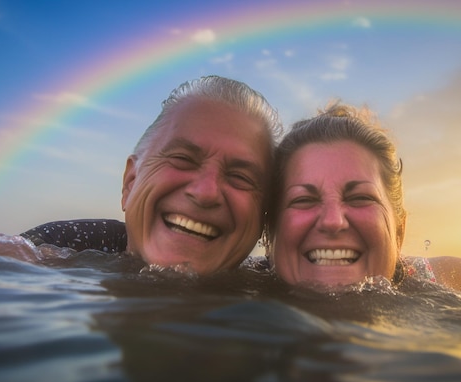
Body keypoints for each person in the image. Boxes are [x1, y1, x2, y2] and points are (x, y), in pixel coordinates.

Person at [21, 75, 284, 275]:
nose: (206, 192)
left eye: (240, 177)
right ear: (129, 183)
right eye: (182, 159)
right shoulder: (54, 250)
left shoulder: (280, 283)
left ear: (264, 219)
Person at [264, 102, 461, 305]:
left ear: (399, 231)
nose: (333, 221)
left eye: (360, 198)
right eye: (303, 200)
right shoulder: (235, 285)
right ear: (269, 232)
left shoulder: (460, 286)